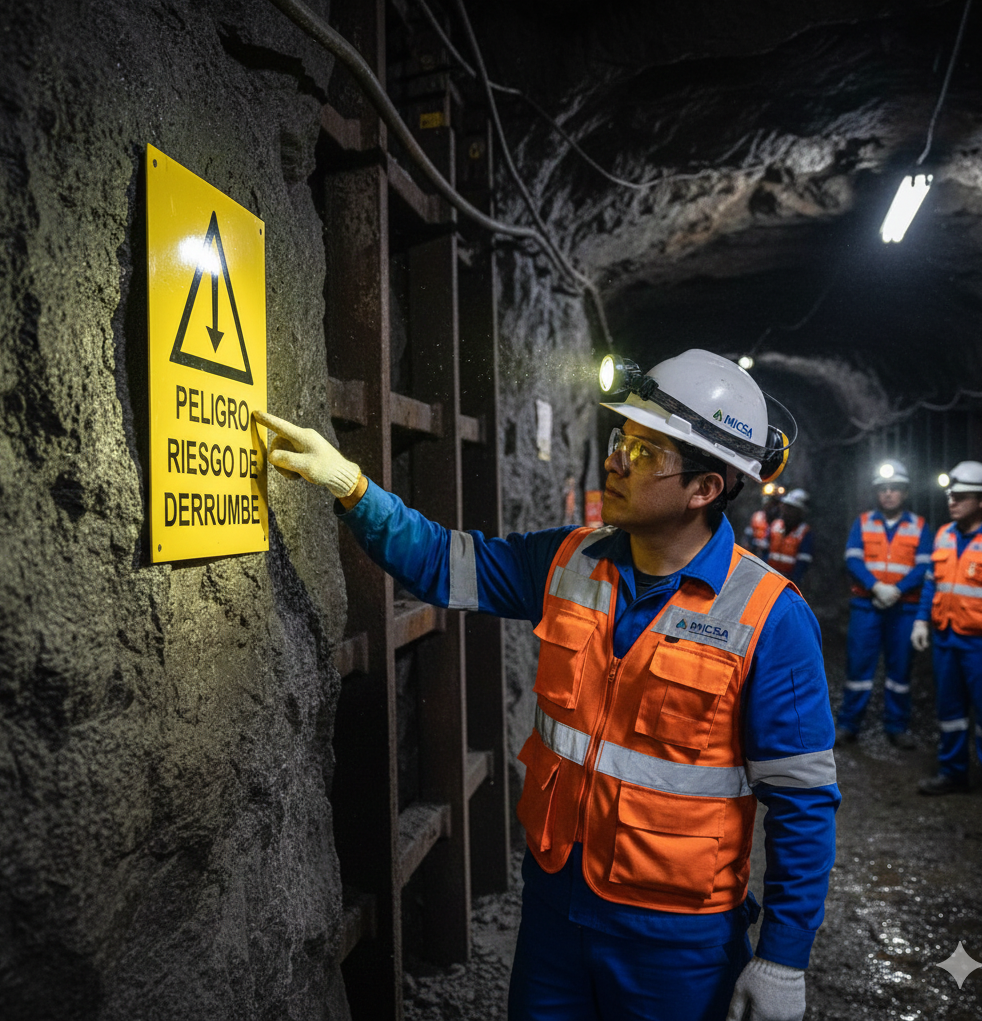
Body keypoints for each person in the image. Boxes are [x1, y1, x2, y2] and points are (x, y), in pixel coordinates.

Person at [255, 348, 840, 1021]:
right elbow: (446, 563)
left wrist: (783, 958)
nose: (614, 462)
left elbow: (802, 800)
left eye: (644, 453)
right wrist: (352, 487)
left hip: (677, 940)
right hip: (556, 910)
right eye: (621, 440)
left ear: (705, 488)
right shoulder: (570, 559)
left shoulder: (769, 617)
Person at [911, 461, 982, 811]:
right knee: (950, 711)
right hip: (947, 638)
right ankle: (952, 772)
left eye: (961, 496)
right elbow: (931, 583)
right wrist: (921, 621)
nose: (952, 502)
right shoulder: (944, 534)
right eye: (950, 496)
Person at [836, 459, 932, 749]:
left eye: (895, 488)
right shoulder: (864, 522)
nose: (888, 493)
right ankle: (848, 724)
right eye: (883, 488)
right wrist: (876, 586)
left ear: (905, 492)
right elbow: (853, 558)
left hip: (904, 609)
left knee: (899, 670)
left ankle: (896, 726)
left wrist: (898, 590)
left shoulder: (919, 526)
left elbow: (924, 566)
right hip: (867, 606)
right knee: (858, 666)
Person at [766, 489, 813, 584]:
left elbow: (802, 565)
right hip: (768, 577)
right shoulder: (775, 526)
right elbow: (764, 552)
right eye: (785, 507)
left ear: (800, 512)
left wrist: (791, 584)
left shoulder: (805, 533)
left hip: (787, 582)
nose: (786, 511)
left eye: (791, 509)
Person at [743, 484, 782, 560]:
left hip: (771, 559)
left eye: (774, 503)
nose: (771, 506)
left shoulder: (781, 522)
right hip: (754, 554)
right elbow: (748, 536)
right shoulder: (757, 516)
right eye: (769, 502)